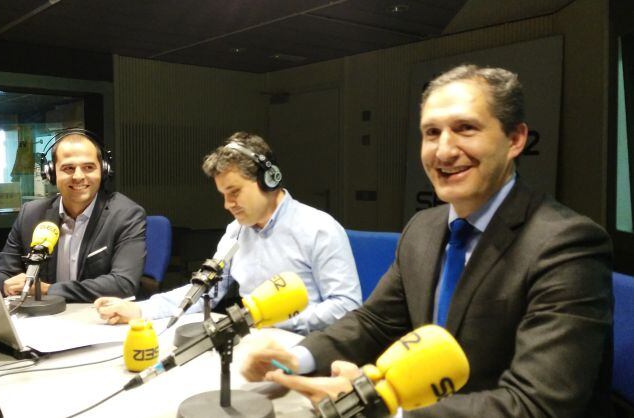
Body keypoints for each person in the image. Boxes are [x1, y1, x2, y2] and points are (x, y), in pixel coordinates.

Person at [241, 65, 614, 417]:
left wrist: (385, 408)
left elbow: (536, 405)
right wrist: (299, 358)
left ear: (515, 139)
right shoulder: (423, 228)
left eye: (466, 128)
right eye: (432, 133)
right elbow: (375, 322)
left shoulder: (567, 245)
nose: (444, 150)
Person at [94, 132, 362, 334]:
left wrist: (275, 321)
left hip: (307, 346)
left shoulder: (319, 229)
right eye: (223, 195)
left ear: (269, 180)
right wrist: (140, 309)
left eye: (234, 192)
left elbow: (346, 306)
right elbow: (206, 291)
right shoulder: (236, 232)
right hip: (254, 340)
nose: (227, 205)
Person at [0, 129, 146, 303]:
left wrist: (48, 290)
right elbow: (5, 271)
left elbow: (123, 284)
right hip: (43, 319)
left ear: (103, 170)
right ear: (51, 173)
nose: (78, 176)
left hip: (96, 317)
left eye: (88, 167)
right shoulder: (31, 214)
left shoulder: (126, 215)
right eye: (68, 168)